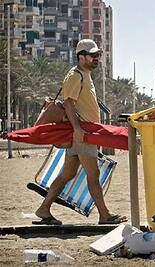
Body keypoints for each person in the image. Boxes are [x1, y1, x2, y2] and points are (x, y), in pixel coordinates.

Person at [35, 39, 127, 225]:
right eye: (92, 56)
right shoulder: (75, 75)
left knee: (67, 175)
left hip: (83, 133)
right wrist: (78, 129)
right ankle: (104, 215)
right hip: (82, 134)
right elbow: (68, 103)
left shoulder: (84, 75)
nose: (96, 59)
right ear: (81, 56)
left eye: (97, 56)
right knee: (93, 175)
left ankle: (44, 209)